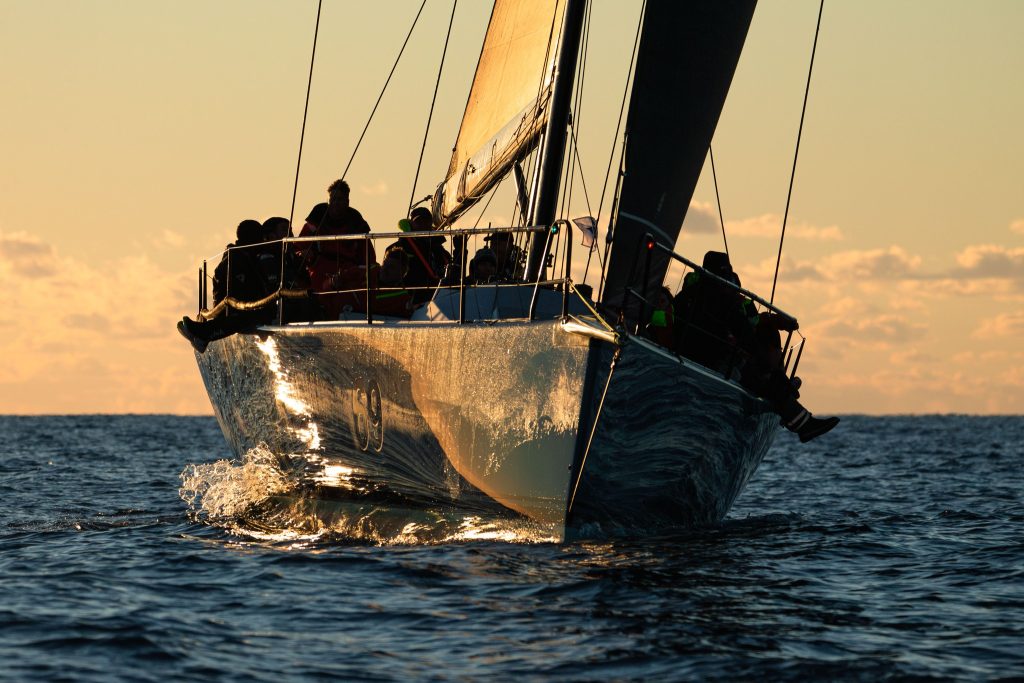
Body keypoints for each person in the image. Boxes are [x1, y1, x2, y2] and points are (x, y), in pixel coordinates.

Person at [300, 179, 376, 318]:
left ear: (347, 201)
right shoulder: (317, 219)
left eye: (340, 199)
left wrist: (356, 273)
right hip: (319, 270)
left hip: (347, 272)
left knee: (345, 303)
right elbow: (299, 247)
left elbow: (368, 258)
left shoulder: (357, 224)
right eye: (332, 199)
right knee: (316, 302)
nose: (335, 203)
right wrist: (305, 254)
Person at [388, 206, 450, 304]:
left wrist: (460, 250)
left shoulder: (439, 249)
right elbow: (388, 276)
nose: (423, 224)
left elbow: (452, 272)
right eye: (418, 221)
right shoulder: (399, 248)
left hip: (440, 299)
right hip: (411, 301)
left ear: (431, 223)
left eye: (426, 221)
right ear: (411, 224)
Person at [373, 245, 414, 317]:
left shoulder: (403, 300)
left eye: (391, 267)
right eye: (384, 264)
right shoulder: (366, 277)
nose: (385, 269)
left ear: (402, 272)